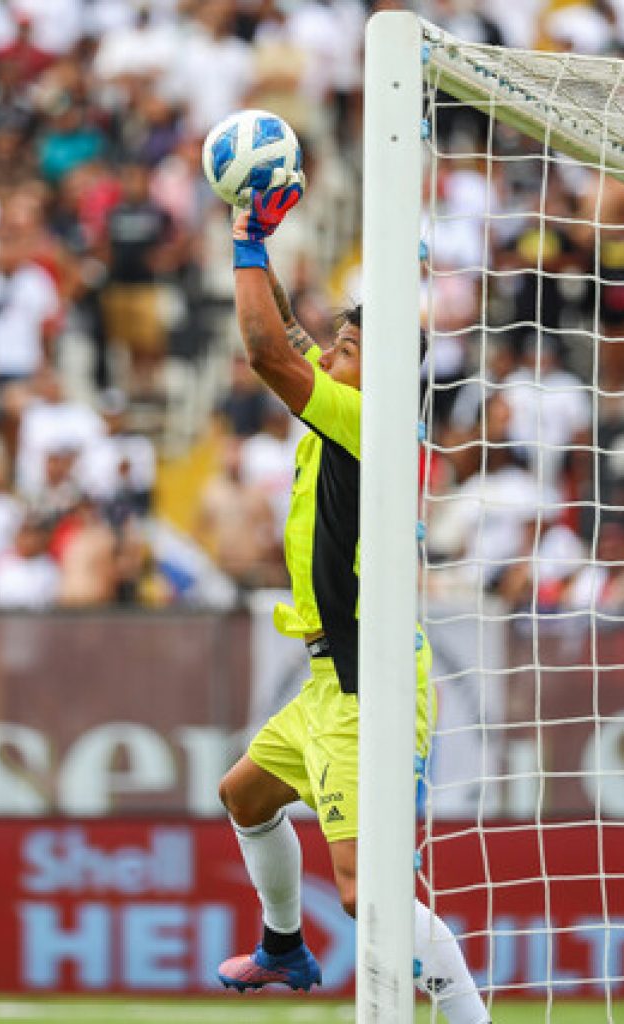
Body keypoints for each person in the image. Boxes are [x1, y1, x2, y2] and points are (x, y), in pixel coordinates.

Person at [215, 175, 490, 1024]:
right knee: (246, 795)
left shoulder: (366, 418)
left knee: (364, 890)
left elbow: (268, 351)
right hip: (330, 680)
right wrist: (265, 234)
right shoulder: (350, 404)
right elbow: (290, 333)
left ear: (379, 371)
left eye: (347, 344)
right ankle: (284, 947)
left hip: (368, 683)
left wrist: (247, 244)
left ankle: (472, 1018)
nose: (329, 348)